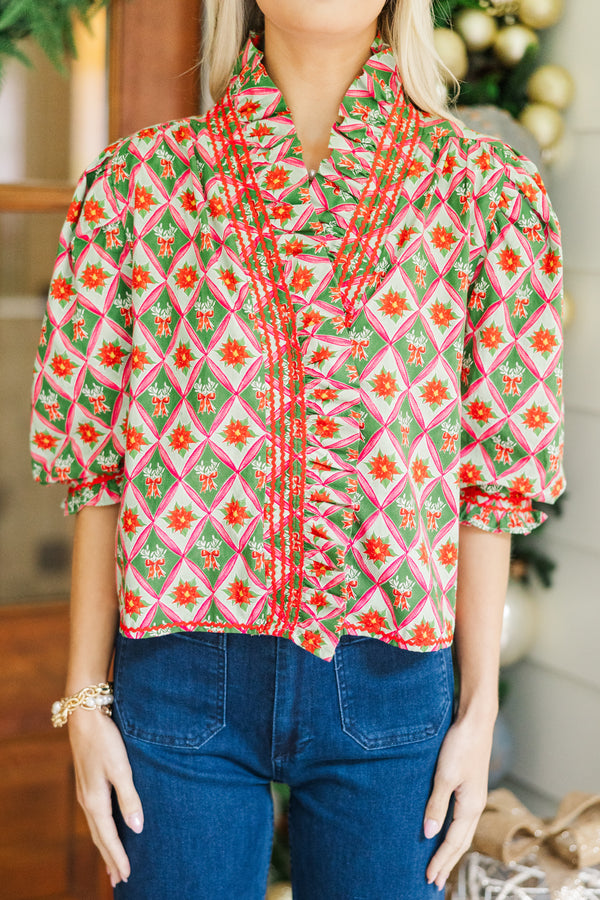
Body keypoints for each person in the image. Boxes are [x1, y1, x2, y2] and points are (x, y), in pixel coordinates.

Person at [30, 0, 566, 896]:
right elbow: (98, 472)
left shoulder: (486, 193)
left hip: (393, 690)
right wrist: (86, 703)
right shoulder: (137, 187)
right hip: (179, 682)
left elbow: (493, 485)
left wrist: (478, 714)